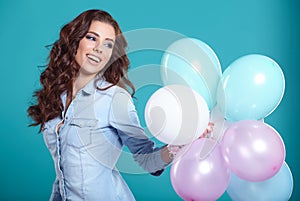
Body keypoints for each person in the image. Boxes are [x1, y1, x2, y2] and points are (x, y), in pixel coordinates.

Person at [27, 9, 212, 201]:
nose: (99, 48)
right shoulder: (57, 96)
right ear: (75, 41)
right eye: (92, 38)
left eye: (108, 44)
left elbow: (146, 160)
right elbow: (63, 173)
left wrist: (180, 144)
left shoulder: (114, 98)